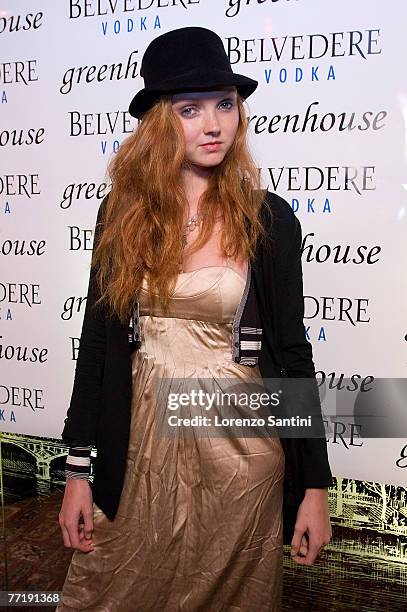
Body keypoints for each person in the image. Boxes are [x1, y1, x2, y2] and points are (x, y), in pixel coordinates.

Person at [57, 26, 333, 612]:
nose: (214, 124)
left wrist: (314, 486)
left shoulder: (269, 220)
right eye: (190, 109)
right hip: (137, 446)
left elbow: (292, 353)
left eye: (225, 105)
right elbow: (97, 346)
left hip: (241, 452)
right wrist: (77, 471)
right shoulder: (121, 215)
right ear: (161, 121)